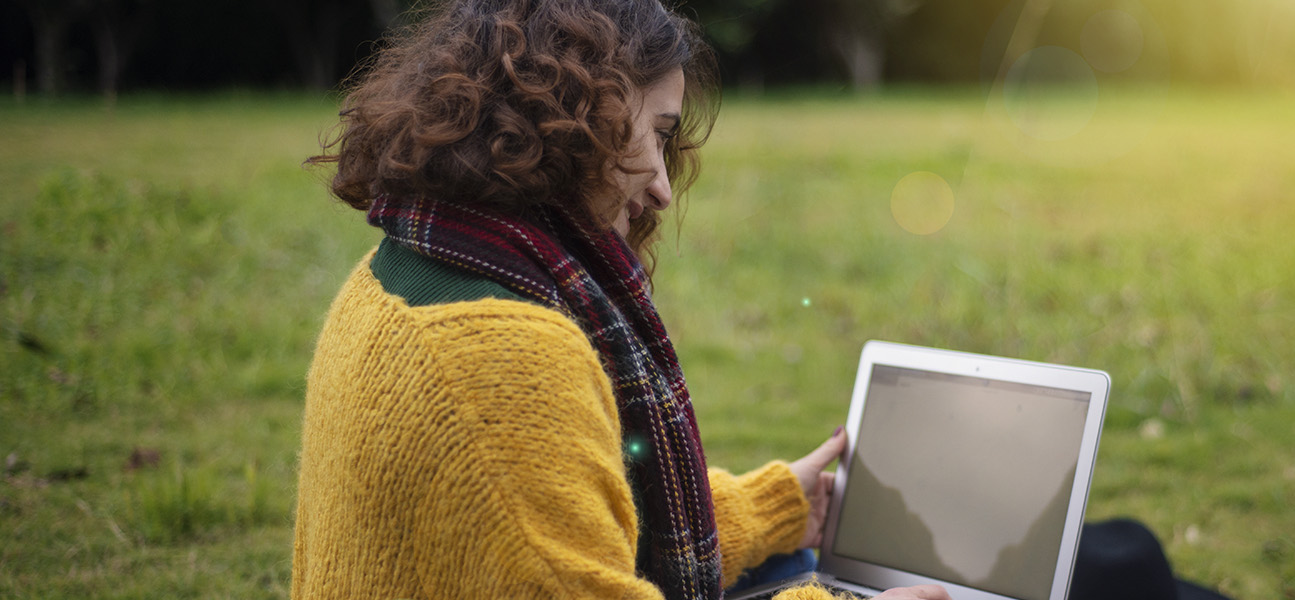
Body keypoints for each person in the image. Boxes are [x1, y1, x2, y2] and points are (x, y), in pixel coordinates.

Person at [292, 0, 948, 598]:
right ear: (577, 118)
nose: (664, 188)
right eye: (658, 133)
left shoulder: (398, 268)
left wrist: (769, 508)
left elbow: (555, 531)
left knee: (792, 564)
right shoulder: (505, 358)